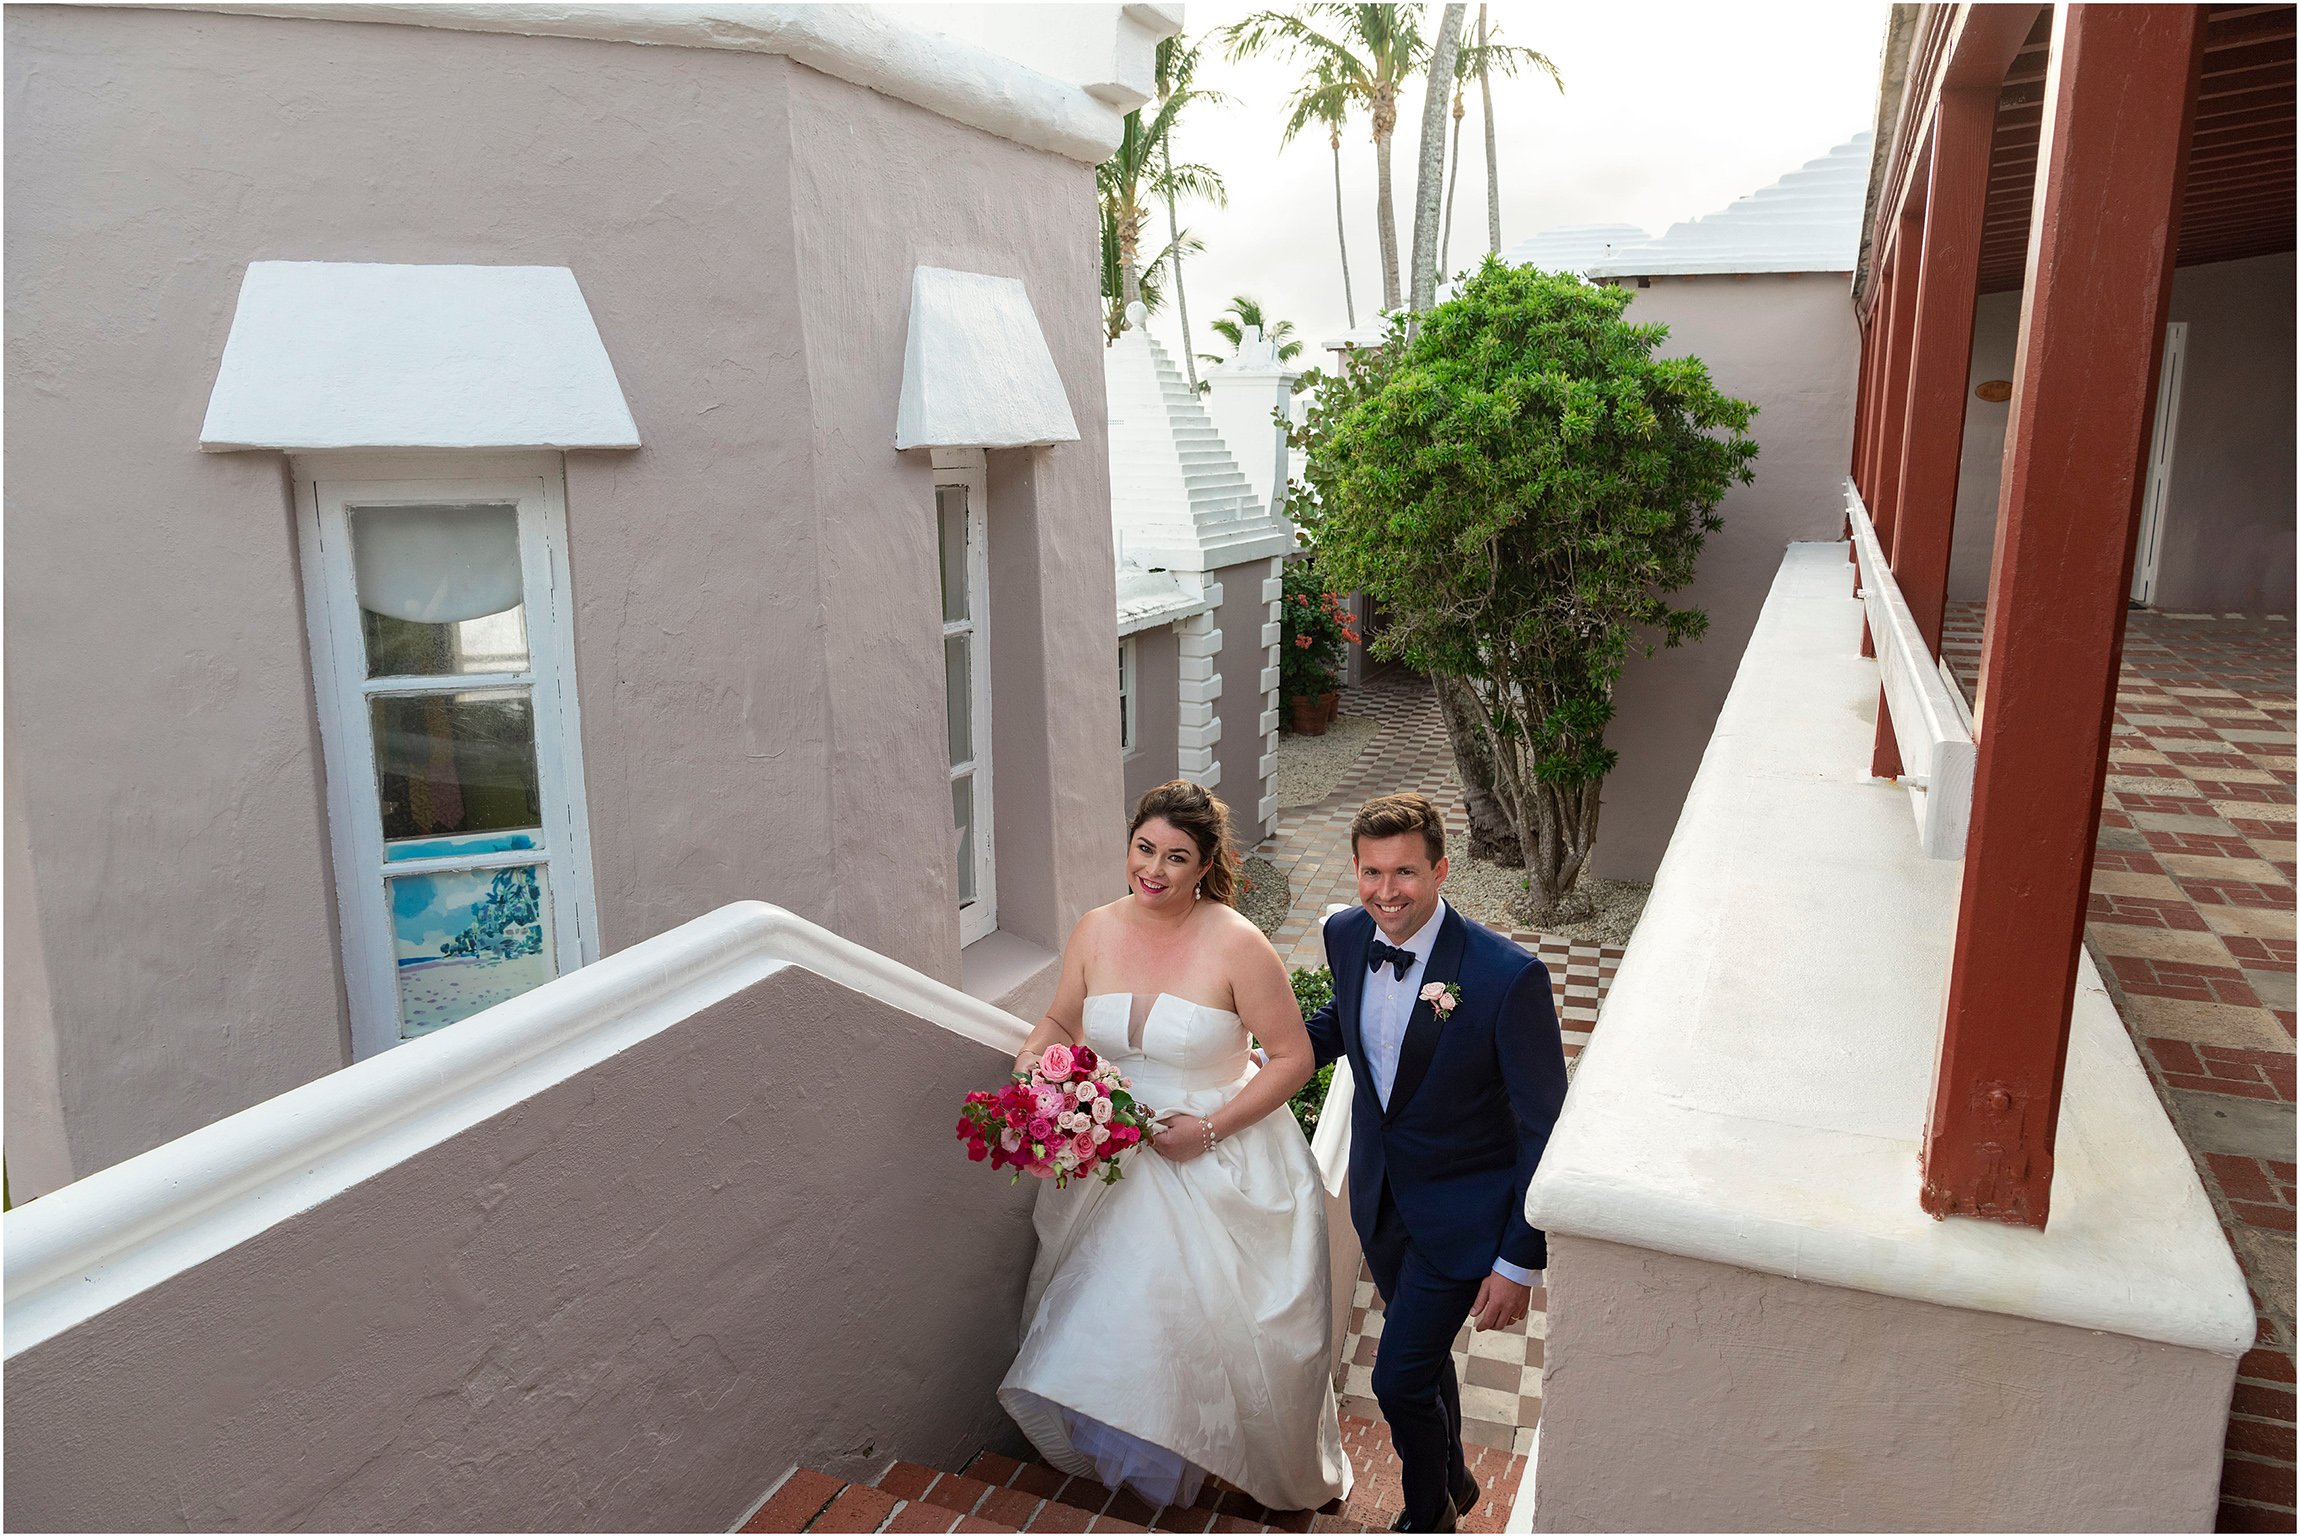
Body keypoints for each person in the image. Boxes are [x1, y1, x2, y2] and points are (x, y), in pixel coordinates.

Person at [998, 780, 1351, 1514]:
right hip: (1116, 1152)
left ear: (1204, 864)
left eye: (1176, 857)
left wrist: (1210, 1128)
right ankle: (1125, 1479)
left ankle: (1181, 1470)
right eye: (1144, 848)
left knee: (1171, 1313)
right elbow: (1062, 1020)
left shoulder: (1238, 943)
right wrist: (1034, 1073)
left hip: (1217, 1151)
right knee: (1117, 1312)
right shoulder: (1096, 928)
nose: (1154, 870)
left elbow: (1292, 1058)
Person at [1302, 792, 1568, 1533]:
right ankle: (1454, 1476)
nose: (1387, 892)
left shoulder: (1506, 977)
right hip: (1381, 1201)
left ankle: (1429, 1515)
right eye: (1371, 872)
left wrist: (1519, 1259)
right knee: (1421, 1365)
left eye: (1406, 872)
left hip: (1464, 1221)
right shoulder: (1348, 933)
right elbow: (1343, 1022)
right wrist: (1279, 1057)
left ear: (1441, 868)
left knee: (1394, 1376)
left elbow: (1546, 1127)